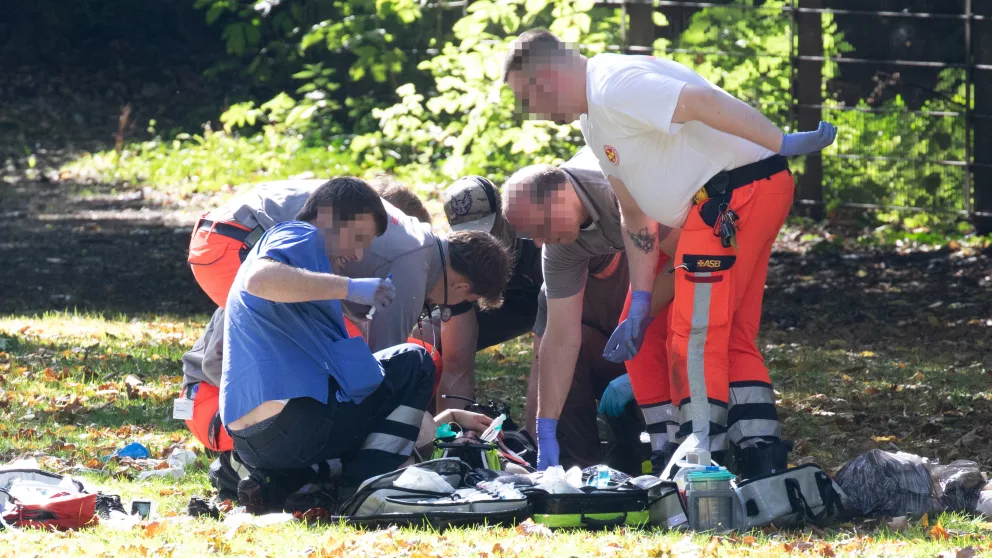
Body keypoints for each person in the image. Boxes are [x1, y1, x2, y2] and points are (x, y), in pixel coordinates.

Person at [501, 29, 838, 478]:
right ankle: (744, 451)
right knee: (696, 332)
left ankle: (701, 458)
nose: (533, 113)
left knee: (695, 333)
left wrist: (779, 141)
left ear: (547, 76)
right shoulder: (594, 119)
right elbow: (635, 215)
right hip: (721, 201)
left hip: (730, 197)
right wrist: (640, 300)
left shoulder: (612, 84)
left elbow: (697, 100)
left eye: (529, 97)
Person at [219, 177, 435, 513]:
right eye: (359, 238)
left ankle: (292, 484)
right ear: (328, 214)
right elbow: (260, 280)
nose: (359, 253)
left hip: (250, 441)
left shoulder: (307, 265)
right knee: (414, 359)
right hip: (295, 422)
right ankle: (364, 488)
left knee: (366, 401)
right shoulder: (300, 234)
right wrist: (350, 288)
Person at [502, 146, 680, 471]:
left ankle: (690, 455)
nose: (540, 243)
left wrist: (644, 313)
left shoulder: (617, 186)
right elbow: (559, 340)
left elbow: (689, 260)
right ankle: (579, 470)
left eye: (539, 229)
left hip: (702, 255)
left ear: (557, 199)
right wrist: (546, 429)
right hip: (657, 284)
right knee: (575, 346)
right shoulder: (558, 244)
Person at [433, 176, 543, 413]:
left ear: (503, 213)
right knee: (433, 344)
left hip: (540, 300)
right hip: (489, 312)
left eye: (487, 228)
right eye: (469, 234)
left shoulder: (538, 241)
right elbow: (455, 363)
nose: (481, 242)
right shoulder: (456, 257)